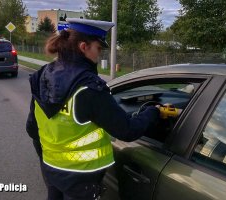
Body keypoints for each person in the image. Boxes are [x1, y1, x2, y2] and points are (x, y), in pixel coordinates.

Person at [26, 18, 162, 200]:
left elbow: (32, 129)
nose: (99, 55)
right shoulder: (89, 88)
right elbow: (127, 130)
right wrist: (153, 112)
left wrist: (48, 160)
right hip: (82, 179)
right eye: (98, 48)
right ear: (84, 47)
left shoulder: (43, 74)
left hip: (52, 170)